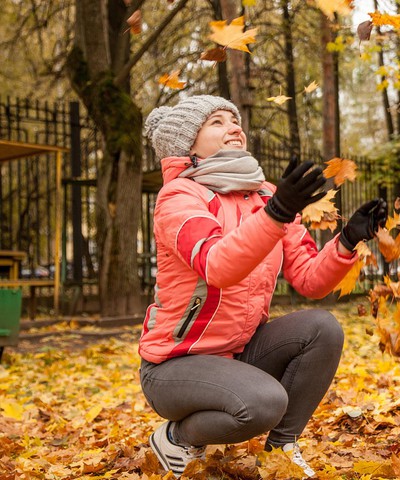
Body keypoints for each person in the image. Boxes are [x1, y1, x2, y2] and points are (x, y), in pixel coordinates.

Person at [138, 95, 387, 478]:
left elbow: (308, 279)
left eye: (234, 120)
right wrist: (276, 215)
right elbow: (217, 265)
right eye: (216, 122)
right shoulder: (179, 198)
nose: (234, 127)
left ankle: (281, 450)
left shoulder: (266, 195)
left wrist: (347, 241)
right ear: (187, 144)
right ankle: (177, 435)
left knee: (323, 328)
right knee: (263, 403)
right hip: (175, 365)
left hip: (238, 354)